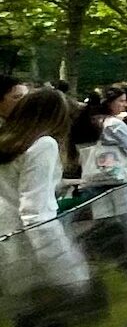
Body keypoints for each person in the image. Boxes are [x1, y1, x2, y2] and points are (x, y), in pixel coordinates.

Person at [0, 86, 73, 232]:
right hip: (23, 235)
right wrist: (57, 251)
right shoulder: (44, 144)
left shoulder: (9, 139)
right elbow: (36, 210)